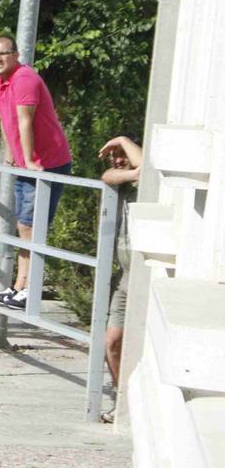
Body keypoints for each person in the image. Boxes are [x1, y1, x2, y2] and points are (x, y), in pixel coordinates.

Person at [0, 35, 73, 310]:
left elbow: (25, 120)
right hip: (26, 162)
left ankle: (28, 288)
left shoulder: (25, 78)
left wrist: (31, 160)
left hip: (48, 162)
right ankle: (19, 286)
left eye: (4, 53)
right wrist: (12, 152)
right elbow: (4, 117)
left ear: (16, 54)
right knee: (24, 226)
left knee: (31, 227)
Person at [98, 135, 142, 417]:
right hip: (126, 277)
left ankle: (135, 406)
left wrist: (124, 140)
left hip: (147, 278)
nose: (118, 159)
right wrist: (129, 169)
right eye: (115, 154)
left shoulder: (145, 185)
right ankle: (121, 400)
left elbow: (145, 169)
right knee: (112, 341)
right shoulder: (125, 181)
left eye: (123, 153)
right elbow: (107, 175)